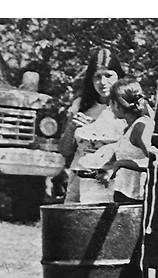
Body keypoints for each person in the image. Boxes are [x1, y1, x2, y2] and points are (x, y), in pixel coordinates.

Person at [59, 48, 127, 203]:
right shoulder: (80, 105)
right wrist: (71, 127)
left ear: (118, 76)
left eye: (108, 75)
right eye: (97, 77)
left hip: (111, 179)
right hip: (79, 178)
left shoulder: (127, 107)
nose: (103, 82)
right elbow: (64, 150)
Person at [90, 79, 153, 204]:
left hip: (137, 199)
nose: (110, 107)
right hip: (124, 194)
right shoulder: (129, 127)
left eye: (111, 103)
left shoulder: (141, 127)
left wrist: (121, 163)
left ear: (117, 104)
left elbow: (155, 162)